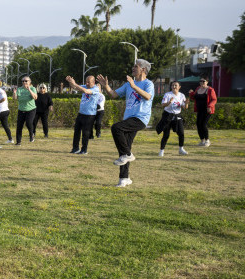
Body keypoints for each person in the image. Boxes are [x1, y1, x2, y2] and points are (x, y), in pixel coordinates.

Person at [97, 59, 154, 188]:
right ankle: (124, 178)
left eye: (136, 66)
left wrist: (134, 86)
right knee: (125, 149)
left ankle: (128, 155)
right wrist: (106, 86)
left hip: (140, 118)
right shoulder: (129, 84)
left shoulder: (148, 83)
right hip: (129, 118)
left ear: (143, 69)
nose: (133, 68)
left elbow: (148, 97)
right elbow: (113, 94)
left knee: (116, 128)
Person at [66, 75, 101, 155]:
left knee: (85, 133)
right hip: (81, 113)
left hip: (90, 115)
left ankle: (84, 150)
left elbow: (86, 91)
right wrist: (71, 82)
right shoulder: (85, 86)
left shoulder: (95, 89)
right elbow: (75, 87)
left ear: (94, 82)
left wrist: (75, 84)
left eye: (89, 82)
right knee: (76, 131)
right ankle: (75, 148)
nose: (87, 83)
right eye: (86, 82)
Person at [156, 81, 189, 157]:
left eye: (176, 85)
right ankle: (161, 150)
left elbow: (184, 107)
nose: (174, 87)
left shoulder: (182, 95)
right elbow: (163, 105)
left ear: (179, 87)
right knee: (166, 134)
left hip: (177, 116)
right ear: (171, 87)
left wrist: (186, 103)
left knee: (181, 133)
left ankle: (181, 149)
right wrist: (169, 102)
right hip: (168, 116)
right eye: (172, 85)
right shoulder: (167, 94)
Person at [189, 77, 217, 147]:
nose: (201, 82)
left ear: (207, 82)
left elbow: (214, 99)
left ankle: (207, 140)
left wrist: (210, 106)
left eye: (203, 81)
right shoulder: (198, 88)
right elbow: (194, 98)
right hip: (199, 110)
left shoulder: (210, 90)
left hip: (207, 110)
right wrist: (191, 93)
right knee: (198, 124)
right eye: (200, 81)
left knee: (203, 124)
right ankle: (202, 140)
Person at [12, 76, 38, 145]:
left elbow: (35, 97)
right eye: (23, 81)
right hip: (21, 110)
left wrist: (29, 90)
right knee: (19, 126)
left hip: (31, 109)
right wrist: (14, 93)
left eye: (26, 81)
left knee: (28, 123)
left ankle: (31, 134)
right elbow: (15, 98)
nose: (24, 82)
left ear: (30, 82)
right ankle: (18, 142)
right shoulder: (19, 89)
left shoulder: (33, 88)